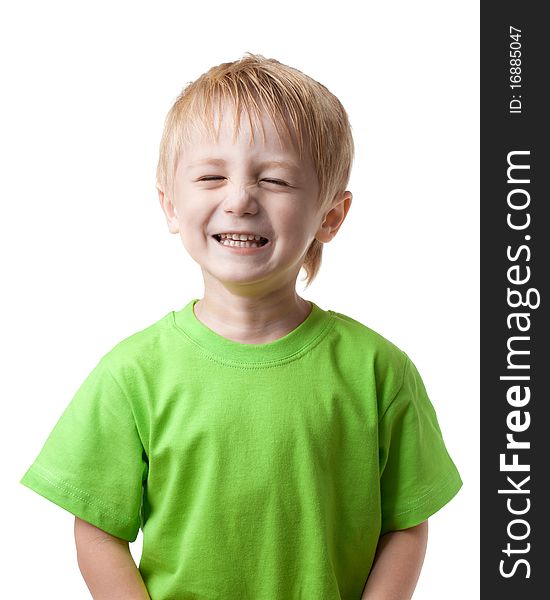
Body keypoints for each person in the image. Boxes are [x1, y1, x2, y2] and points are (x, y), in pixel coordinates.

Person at [20, 52, 462, 600]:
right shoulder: (131, 373)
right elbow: (97, 530)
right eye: (210, 176)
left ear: (331, 215)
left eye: (275, 179)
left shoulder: (379, 370)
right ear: (170, 205)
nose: (240, 200)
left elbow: (406, 523)